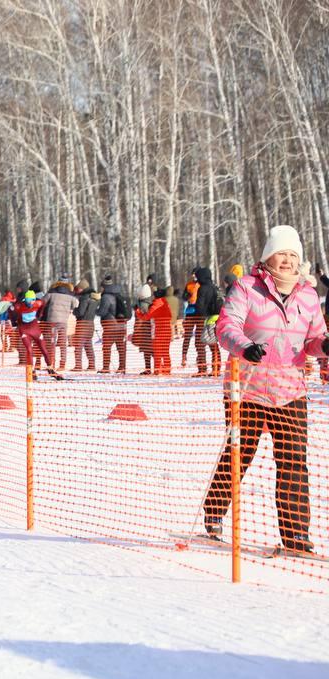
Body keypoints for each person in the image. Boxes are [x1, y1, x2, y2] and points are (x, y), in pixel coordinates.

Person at [202, 225, 325, 556]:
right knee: (239, 454)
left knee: (293, 462)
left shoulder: (309, 296)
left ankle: (296, 537)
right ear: (268, 256)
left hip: (290, 391)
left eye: (292, 255)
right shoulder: (247, 287)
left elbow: (313, 339)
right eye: (281, 254)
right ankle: (213, 515)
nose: (286, 261)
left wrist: (324, 346)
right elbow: (227, 326)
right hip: (247, 389)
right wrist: (244, 348)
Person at [9, 290, 61, 378]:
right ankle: (31, 371)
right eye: (29, 300)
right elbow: (10, 311)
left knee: (44, 349)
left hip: (35, 328)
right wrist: (14, 322)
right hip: (24, 330)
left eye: (32, 300)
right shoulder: (18, 306)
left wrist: (40, 315)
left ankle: (50, 368)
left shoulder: (38, 303)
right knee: (29, 350)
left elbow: (44, 304)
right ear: (25, 300)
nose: (31, 302)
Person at [42, 278, 78, 370]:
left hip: (52, 321)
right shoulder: (70, 296)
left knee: (52, 343)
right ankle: (62, 364)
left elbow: (42, 302)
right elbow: (76, 305)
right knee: (62, 343)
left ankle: (51, 363)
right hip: (63, 322)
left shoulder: (51, 294)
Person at [96, 274, 130, 373]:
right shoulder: (119, 295)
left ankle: (106, 367)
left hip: (110, 326)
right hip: (121, 325)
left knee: (106, 347)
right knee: (121, 347)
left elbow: (102, 311)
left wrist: (95, 310)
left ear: (104, 287)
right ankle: (122, 367)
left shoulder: (106, 297)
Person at [138, 284, 173, 375]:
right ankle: (167, 370)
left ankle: (158, 370)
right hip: (167, 332)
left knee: (157, 353)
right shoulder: (166, 304)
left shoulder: (156, 305)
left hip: (157, 333)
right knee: (166, 353)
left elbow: (146, 317)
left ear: (156, 296)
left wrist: (138, 312)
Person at [72, 279, 99, 371]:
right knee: (88, 345)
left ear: (82, 288)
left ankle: (78, 366)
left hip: (82, 324)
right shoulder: (94, 297)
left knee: (78, 346)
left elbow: (80, 312)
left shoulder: (84, 297)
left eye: (78, 288)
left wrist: (75, 310)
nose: (77, 290)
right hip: (91, 324)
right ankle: (92, 365)